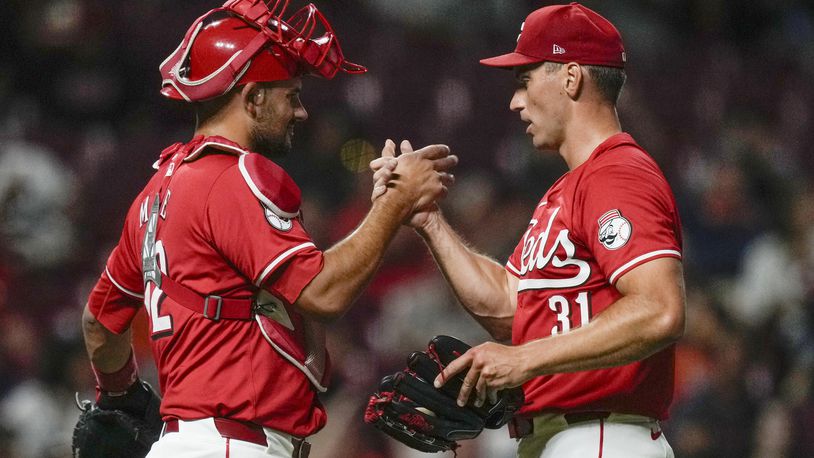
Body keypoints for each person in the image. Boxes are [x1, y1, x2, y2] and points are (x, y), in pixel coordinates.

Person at [80, 1, 455, 457]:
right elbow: (323, 293)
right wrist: (395, 205)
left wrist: (121, 397)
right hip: (234, 445)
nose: (300, 112)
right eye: (291, 95)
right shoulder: (234, 176)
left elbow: (99, 323)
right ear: (253, 96)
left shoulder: (155, 193)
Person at [373, 3, 685, 457]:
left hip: (601, 434)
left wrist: (522, 359)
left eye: (525, 80)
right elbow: (508, 308)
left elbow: (660, 310)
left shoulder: (618, 175)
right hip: (561, 436)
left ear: (571, 78)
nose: (515, 101)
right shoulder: (565, 191)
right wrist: (427, 219)